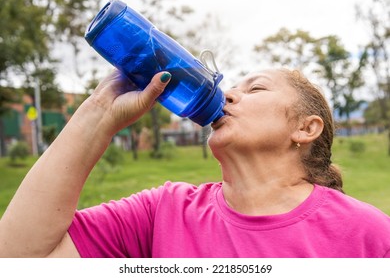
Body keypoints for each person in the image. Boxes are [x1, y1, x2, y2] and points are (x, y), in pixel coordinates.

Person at [0, 68, 389, 258]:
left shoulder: (368, 235)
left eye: (254, 88)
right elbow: (18, 258)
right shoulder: (160, 212)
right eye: (232, 87)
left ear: (306, 128)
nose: (229, 95)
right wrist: (100, 112)